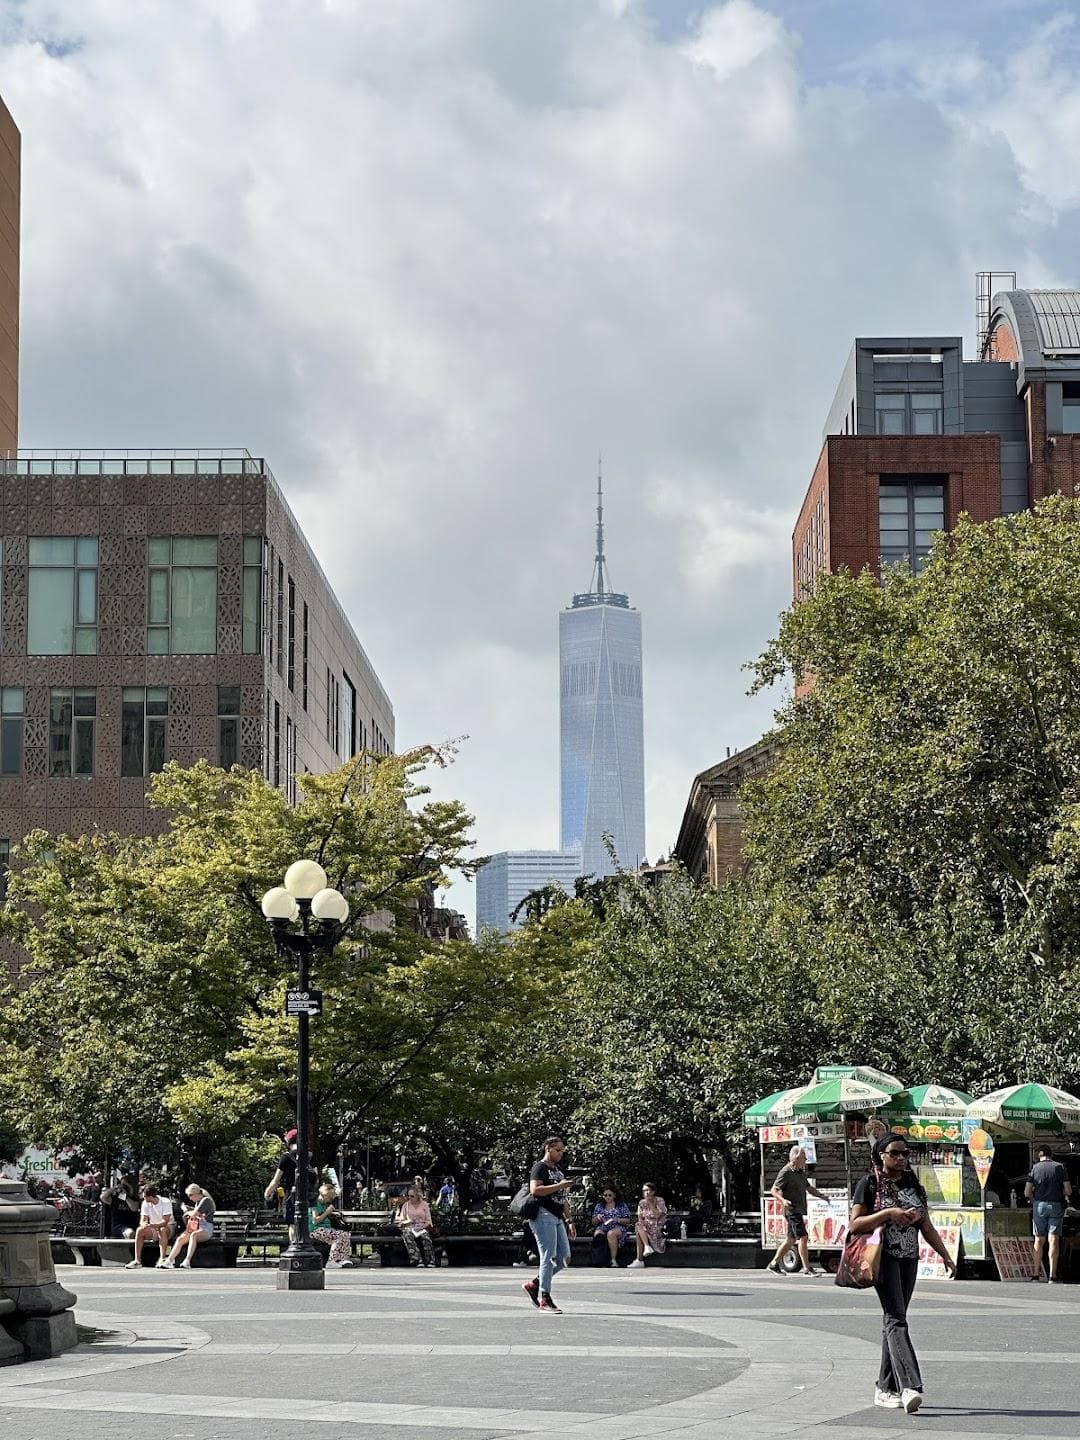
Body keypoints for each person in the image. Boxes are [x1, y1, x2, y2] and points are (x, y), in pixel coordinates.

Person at [849, 1132, 955, 1414]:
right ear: (881, 1154)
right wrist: (887, 1214)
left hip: (909, 1258)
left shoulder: (912, 1184)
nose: (901, 1158)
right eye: (895, 1153)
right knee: (896, 1318)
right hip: (882, 1258)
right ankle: (909, 1386)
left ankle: (885, 1388)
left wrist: (944, 1254)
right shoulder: (869, 1183)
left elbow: (926, 1225)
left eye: (905, 1153)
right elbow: (855, 1225)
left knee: (894, 1320)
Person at [522, 1136, 578, 1313]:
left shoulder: (558, 1170)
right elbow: (535, 1190)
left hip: (557, 1216)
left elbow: (563, 1199)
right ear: (548, 1148)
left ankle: (535, 1284)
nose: (561, 1154)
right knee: (548, 1256)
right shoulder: (540, 1167)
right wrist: (560, 1186)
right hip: (543, 1215)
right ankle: (545, 1298)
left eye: (562, 1151)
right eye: (558, 1150)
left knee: (564, 1258)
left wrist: (569, 1220)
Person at [766, 1145, 830, 1277]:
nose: (806, 1159)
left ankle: (774, 1264)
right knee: (803, 1237)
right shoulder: (785, 1172)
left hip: (798, 1209)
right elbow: (774, 1190)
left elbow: (808, 1187)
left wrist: (822, 1196)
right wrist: (783, 1200)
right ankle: (807, 1269)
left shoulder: (800, 1172)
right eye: (803, 1157)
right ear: (795, 1158)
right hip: (792, 1210)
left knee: (790, 1239)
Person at [1025, 1144, 1073, 1283]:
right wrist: (1061, 1193)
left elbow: (1026, 1192)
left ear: (1039, 1155)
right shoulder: (1059, 1167)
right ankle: (1052, 1275)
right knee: (1054, 1240)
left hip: (1038, 1205)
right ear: (1051, 1154)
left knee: (1038, 1240)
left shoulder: (1035, 1168)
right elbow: (1068, 1190)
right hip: (1056, 1205)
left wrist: (1035, 1199)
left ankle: (1035, 1274)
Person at [264, 1129, 318, 1237]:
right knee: (307, 1223)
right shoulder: (310, 1156)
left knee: (293, 1225)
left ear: (289, 1142)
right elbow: (316, 1179)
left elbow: (276, 1181)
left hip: (291, 1197)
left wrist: (267, 1193)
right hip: (308, 1197)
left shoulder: (286, 1157)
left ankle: (294, 1247)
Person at [163, 1184, 216, 1269]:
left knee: (193, 1235)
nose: (190, 1198)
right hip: (197, 1227)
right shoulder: (197, 1203)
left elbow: (195, 1214)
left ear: (195, 1193)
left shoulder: (206, 1200)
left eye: (190, 1195)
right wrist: (188, 1211)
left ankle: (187, 1261)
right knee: (181, 1238)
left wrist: (186, 1211)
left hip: (206, 1228)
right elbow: (194, 1214)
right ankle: (169, 1260)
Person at [125, 1183, 175, 1269]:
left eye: (144, 1196)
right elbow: (143, 1219)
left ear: (150, 1196)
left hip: (168, 1227)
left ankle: (163, 1259)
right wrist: (144, 1224)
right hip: (153, 1228)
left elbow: (165, 1222)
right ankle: (137, 1261)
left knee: (162, 1229)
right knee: (139, 1230)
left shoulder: (165, 1202)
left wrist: (153, 1225)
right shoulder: (145, 1203)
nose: (143, 1197)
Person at [310, 1183, 354, 1269]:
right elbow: (315, 1220)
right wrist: (327, 1212)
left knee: (346, 1234)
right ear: (324, 1195)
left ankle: (341, 1258)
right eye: (330, 1197)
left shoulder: (324, 1204)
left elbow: (325, 1215)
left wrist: (331, 1214)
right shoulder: (315, 1204)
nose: (331, 1200)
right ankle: (332, 1260)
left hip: (325, 1229)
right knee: (339, 1236)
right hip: (315, 1230)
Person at [628, 1181, 668, 1268]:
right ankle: (646, 1247)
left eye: (647, 1190)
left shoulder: (659, 1200)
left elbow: (657, 1215)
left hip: (658, 1227)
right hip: (646, 1227)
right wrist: (642, 1223)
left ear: (653, 1192)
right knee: (638, 1225)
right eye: (644, 1191)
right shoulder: (641, 1203)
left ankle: (640, 1260)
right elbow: (640, 1218)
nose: (645, 1192)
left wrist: (650, 1204)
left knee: (639, 1232)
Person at [591, 1187, 632, 1267]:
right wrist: (597, 1218)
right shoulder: (599, 1206)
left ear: (614, 1195)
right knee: (598, 1233)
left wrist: (617, 1220)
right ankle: (599, 1258)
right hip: (603, 1226)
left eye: (609, 1195)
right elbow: (593, 1221)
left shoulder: (621, 1206)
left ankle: (613, 1260)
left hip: (618, 1227)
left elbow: (628, 1220)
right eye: (605, 1195)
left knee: (611, 1233)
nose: (607, 1197)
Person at [395, 1186, 436, 1266]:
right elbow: (401, 1221)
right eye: (408, 1196)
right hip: (410, 1227)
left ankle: (430, 1260)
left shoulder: (424, 1205)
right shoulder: (406, 1205)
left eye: (412, 1196)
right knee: (407, 1235)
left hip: (422, 1227)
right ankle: (417, 1259)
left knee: (425, 1237)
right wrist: (409, 1221)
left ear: (418, 1196)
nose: (410, 1198)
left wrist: (422, 1227)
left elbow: (428, 1221)